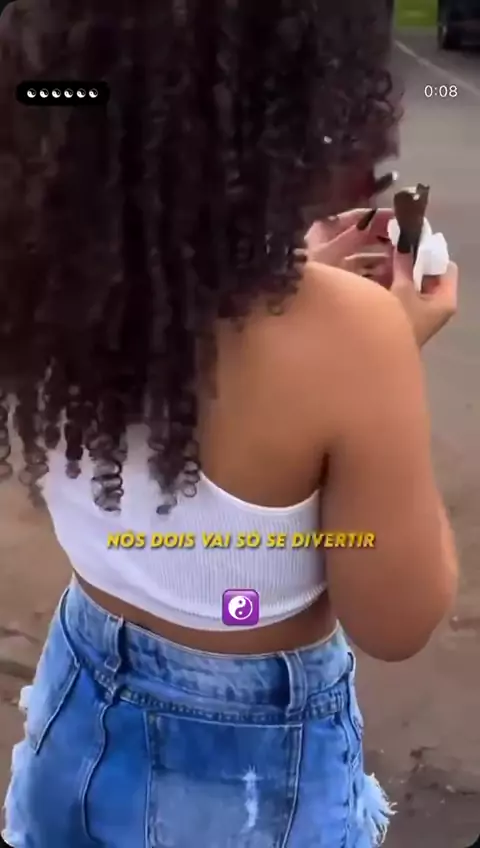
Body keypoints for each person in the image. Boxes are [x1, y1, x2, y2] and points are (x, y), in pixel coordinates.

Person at [0, 0, 458, 845]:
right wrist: (384, 347)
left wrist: (287, 269)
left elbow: (180, 302)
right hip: (253, 770)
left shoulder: (38, 271)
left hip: (74, 698)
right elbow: (397, 622)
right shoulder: (354, 337)